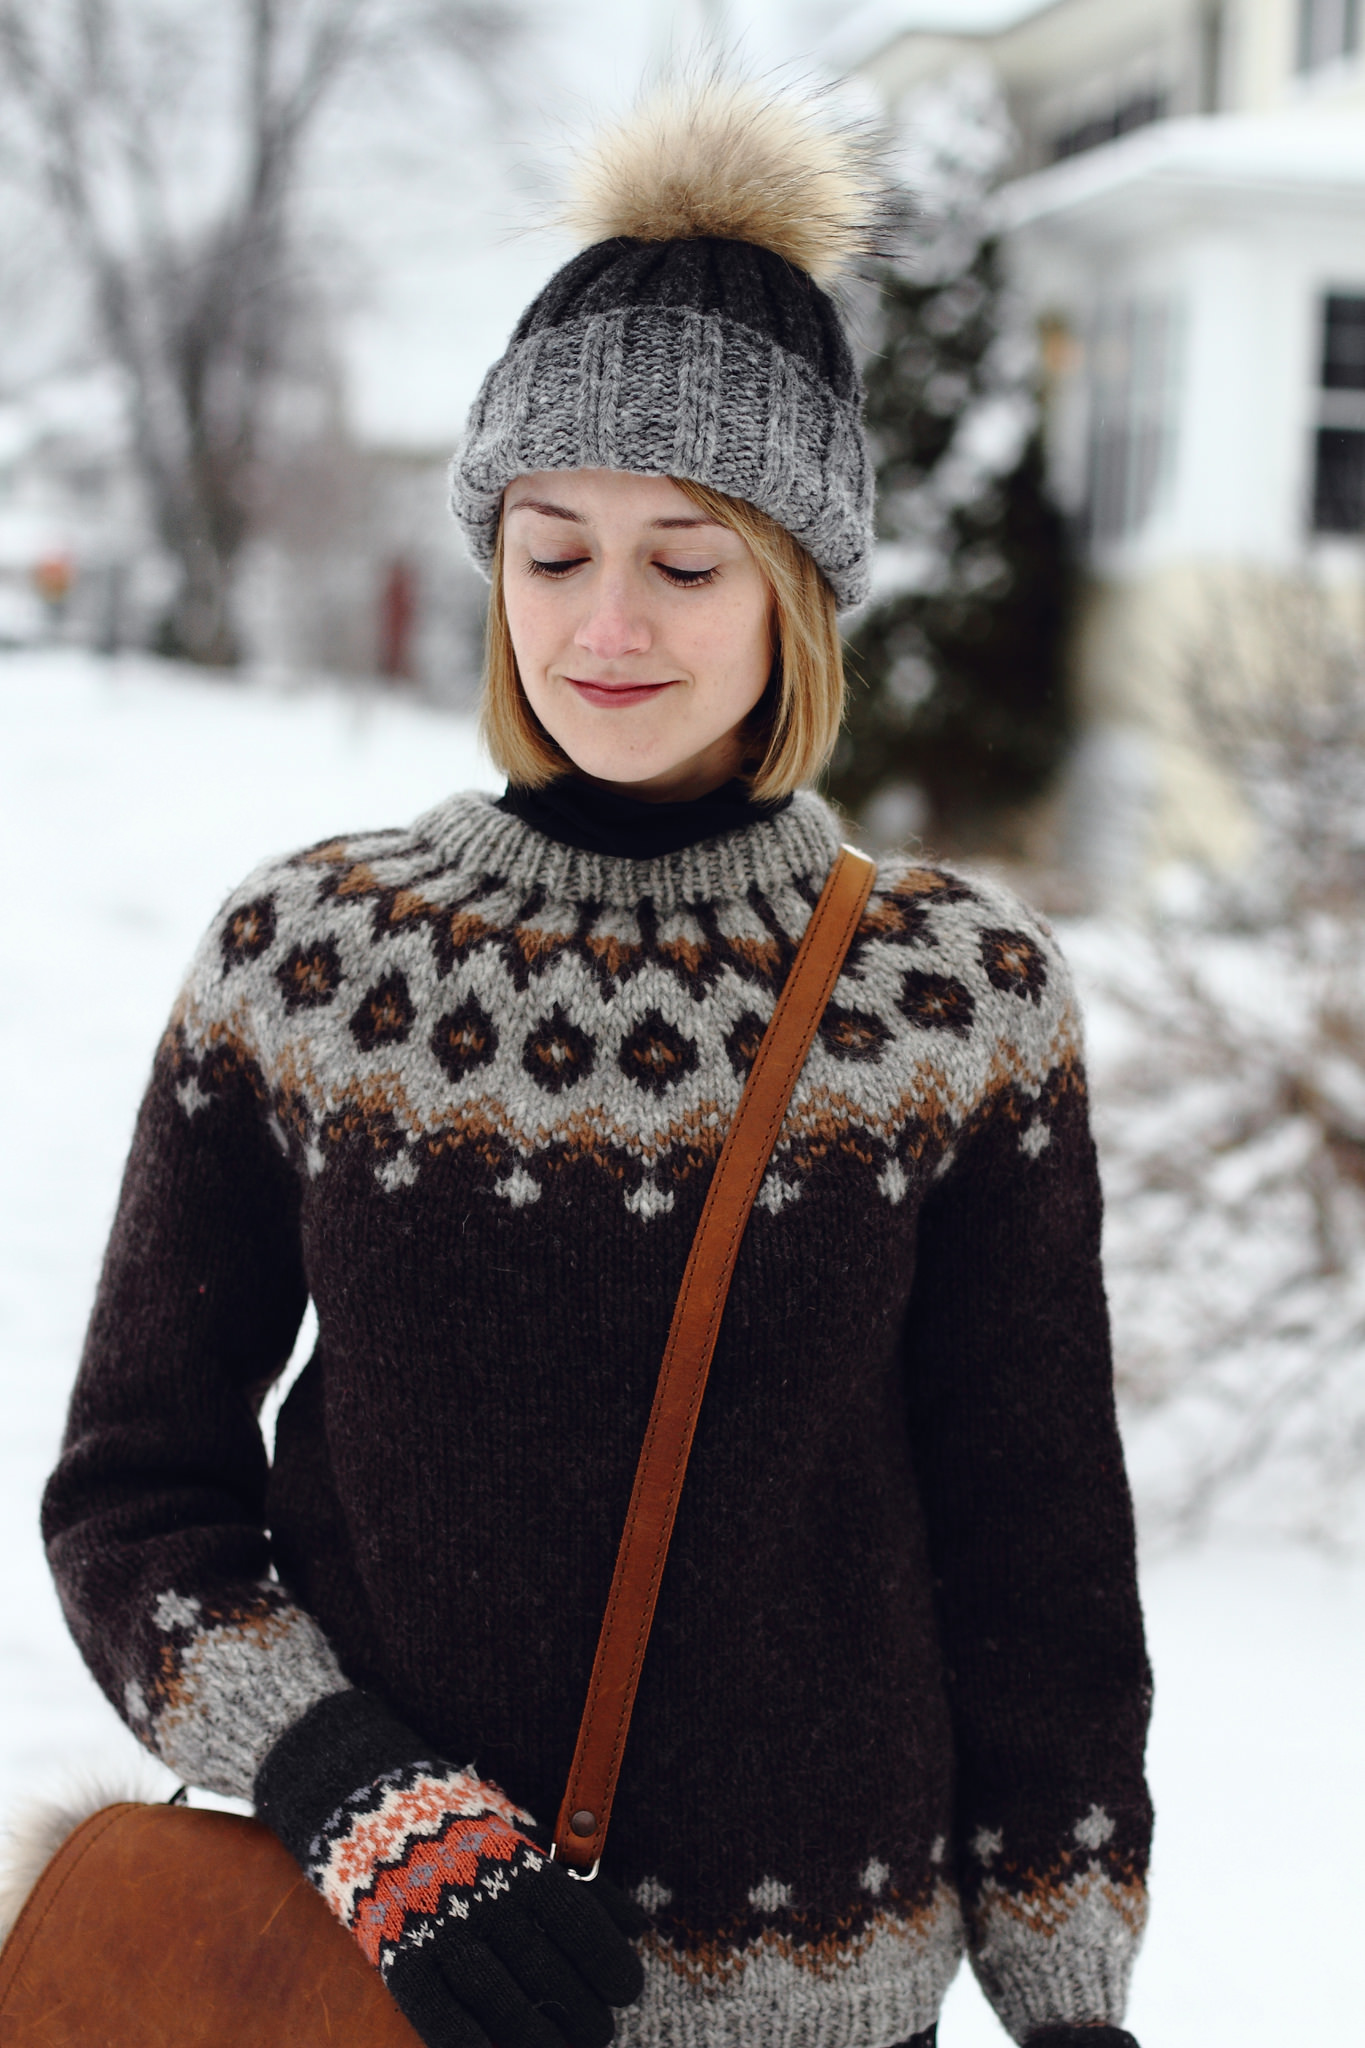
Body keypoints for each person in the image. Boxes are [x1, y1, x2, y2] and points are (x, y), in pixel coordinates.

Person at [42, 78, 1152, 2048]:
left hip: (821, 2008)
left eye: (683, 561)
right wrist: (348, 1793)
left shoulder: (950, 1002)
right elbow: (136, 1494)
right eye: (551, 553)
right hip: (366, 1991)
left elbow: (1034, 1546)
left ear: (794, 586)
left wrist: (1065, 1999)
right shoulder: (309, 962)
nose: (606, 623)